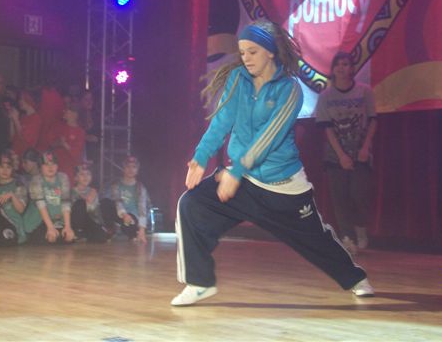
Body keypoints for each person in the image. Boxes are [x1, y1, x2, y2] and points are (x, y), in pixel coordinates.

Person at [172, 20, 374, 307]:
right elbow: (221, 121)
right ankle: (199, 282)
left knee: (317, 242)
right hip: (245, 183)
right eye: (242, 52)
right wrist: (200, 157)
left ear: (270, 52)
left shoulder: (290, 90)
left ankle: (355, 278)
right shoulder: (238, 80)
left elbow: (268, 138)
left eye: (252, 52)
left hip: (283, 190)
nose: (246, 58)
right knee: (191, 204)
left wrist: (235, 171)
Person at [315, 52, 377, 255]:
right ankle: (347, 238)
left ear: (352, 68)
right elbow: (326, 127)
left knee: (359, 194)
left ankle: (360, 228)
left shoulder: (364, 91)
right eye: (338, 64)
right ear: (333, 69)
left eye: (346, 64)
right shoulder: (326, 96)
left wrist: (365, 147)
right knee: (339, 198)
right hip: (335, 155)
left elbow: (373, 120)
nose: (342, 68)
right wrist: (341, 155)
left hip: (360, 152)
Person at [23, 151, 75, 244]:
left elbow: (65, 202)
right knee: (48, 239)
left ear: (57, 166)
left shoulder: (63, 177)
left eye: (53, 164)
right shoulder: (36, 180)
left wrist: (68, 227)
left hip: (58, 218)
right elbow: (41, 205)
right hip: (39, 219)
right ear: (40, 167)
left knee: (67, 237)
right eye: (46, 164)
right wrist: (50, 227)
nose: (50, 167)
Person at [100, 155, 149, 243]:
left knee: (131, 228)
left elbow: (142, 209)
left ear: (137, 170)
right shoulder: (115, 184)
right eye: (128, 166)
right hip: (120, 214)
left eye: (134, 167)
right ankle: (110, 228)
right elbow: (117, 201)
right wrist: (124, 215)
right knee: (105, 202)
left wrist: (142, 229)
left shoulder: (140, 188)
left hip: (132, 217)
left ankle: (132, 232)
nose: (131, 169)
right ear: (123, 168)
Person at [71, 162, 108, 243]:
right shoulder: (72, 192)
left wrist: (101, 225)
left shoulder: (93, 191)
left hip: (90, 221)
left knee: (101, 236)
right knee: (80, 203)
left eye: (88, 174)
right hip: (77, 223)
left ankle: (87, 234)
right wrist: (86, 201)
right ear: (76, 177)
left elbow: (96, 213)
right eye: (82, 174)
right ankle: (78, 232)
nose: (86, 177)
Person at [9, 90, 42, 159]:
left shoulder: (36, 118)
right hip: (14, 154)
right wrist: (12, 120)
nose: (19, 101)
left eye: (22, 99)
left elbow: (24, 138)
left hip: (24, 157)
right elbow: (11, 137)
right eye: (19, 99)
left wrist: (16, 119)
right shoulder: (23, 117)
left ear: (29, 100)